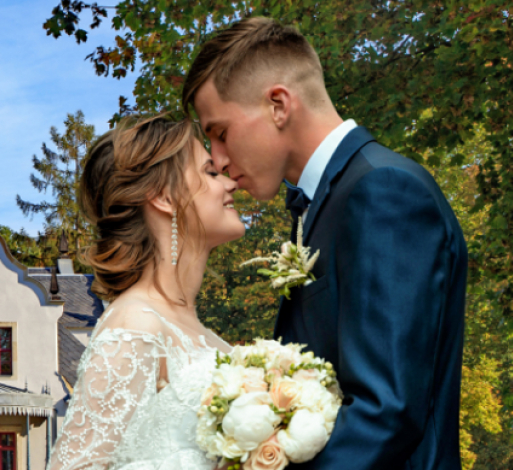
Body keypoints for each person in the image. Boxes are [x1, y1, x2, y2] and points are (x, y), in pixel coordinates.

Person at [182, 17, 468, 470]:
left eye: (219, 132)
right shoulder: (324, 204)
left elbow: (386, 412)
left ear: (278, 104)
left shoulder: (384, 191)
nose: (217, 159)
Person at [48, 114, 243, 470]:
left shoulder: (202, 333)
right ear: (164, 197)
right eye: (210, 173)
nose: (230, 184)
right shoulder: (136, 325)